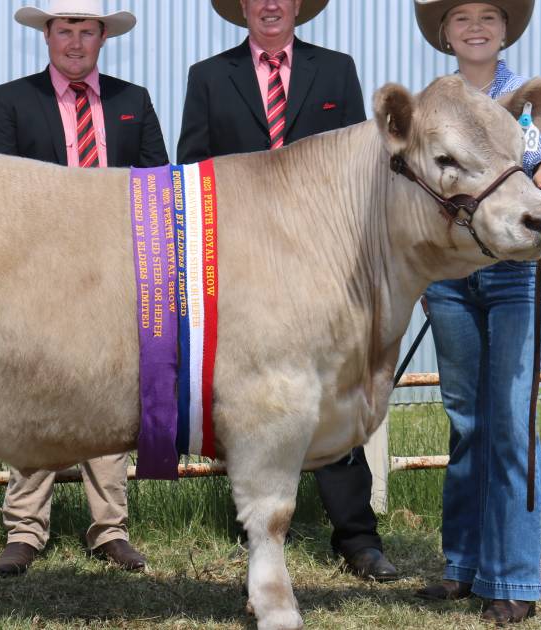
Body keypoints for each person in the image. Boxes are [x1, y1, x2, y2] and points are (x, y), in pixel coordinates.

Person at [177, 0, 398, 582]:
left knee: (332, 383)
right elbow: (191, 168)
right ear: (244, 7)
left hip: (321, 263)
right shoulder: (208, 76)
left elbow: (362, 165)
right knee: (252, 391)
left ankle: (356, 537)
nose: (269, 4)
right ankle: (255, 522)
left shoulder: (337, 70)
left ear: (298, 6)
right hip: (241, 265)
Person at [0, 0, 168, 576]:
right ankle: (24, 529)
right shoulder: (12, 100)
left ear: (103, 38)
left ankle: (109, 527)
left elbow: (160, 182)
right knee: (33, 386)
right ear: (48, 35)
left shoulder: (133, 101)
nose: (77, 42)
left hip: (115, 272)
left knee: (110, 390)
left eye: (88, 31)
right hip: (36, 271)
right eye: (67, 30)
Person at [411, 0, 541, 624]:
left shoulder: (521, 100)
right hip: (452, 276)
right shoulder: (433, 106)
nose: (475, 26)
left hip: (514, 275)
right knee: (469, 421)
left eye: (489, 16)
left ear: (505, 30)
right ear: (445, 33)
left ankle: (514, 577)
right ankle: (464, 566)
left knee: (509, 422)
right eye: (461, 16)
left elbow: (538, 154)